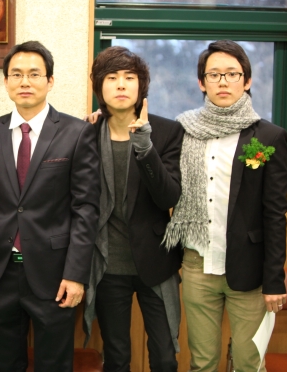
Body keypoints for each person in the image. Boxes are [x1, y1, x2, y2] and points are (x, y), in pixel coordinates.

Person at [0, 40, 100, 371]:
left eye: (34, 74)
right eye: (16, 74)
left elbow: (85, 209)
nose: (24, 81)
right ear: (6, 82)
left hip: (54, 274)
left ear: (50, 81)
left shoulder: (77, 133)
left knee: (53, 364)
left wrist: (76, 274)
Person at [162, 40, 287, 372]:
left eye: (232, 74)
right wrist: (104, 118)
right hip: (197, 265)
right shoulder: (183, 131)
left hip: (250, 268)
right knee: (202, 363)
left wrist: (275, 280)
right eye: (214, 74)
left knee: (249, 363)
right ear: (201, 83)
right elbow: (144, 139)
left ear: (246, 81)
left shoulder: (269, 137)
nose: (223, 81)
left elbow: (275, 214)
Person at [83, 46, 184, 372]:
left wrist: (144, 144)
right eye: (112, 78)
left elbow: (168, 197)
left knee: (165, 356)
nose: (121, 85)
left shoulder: (167, 131)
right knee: (116, 356)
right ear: (99, 87)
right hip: (108, 264)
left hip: (156, 262)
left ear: (142, 86)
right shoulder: (86, 132)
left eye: (130, 77)